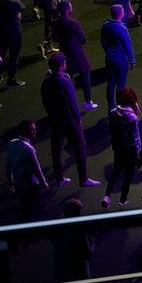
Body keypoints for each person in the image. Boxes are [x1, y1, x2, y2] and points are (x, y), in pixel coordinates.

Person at [41, 54, 98, 187]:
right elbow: (73, 103)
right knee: (80, 147)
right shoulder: (65, 82)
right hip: (69, 121)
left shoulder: (46, 83)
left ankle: (59, 178)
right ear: (61, 65)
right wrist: (78, 119)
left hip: (55, 121)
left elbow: (45, 102)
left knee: (56, 149)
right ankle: (83, 179)